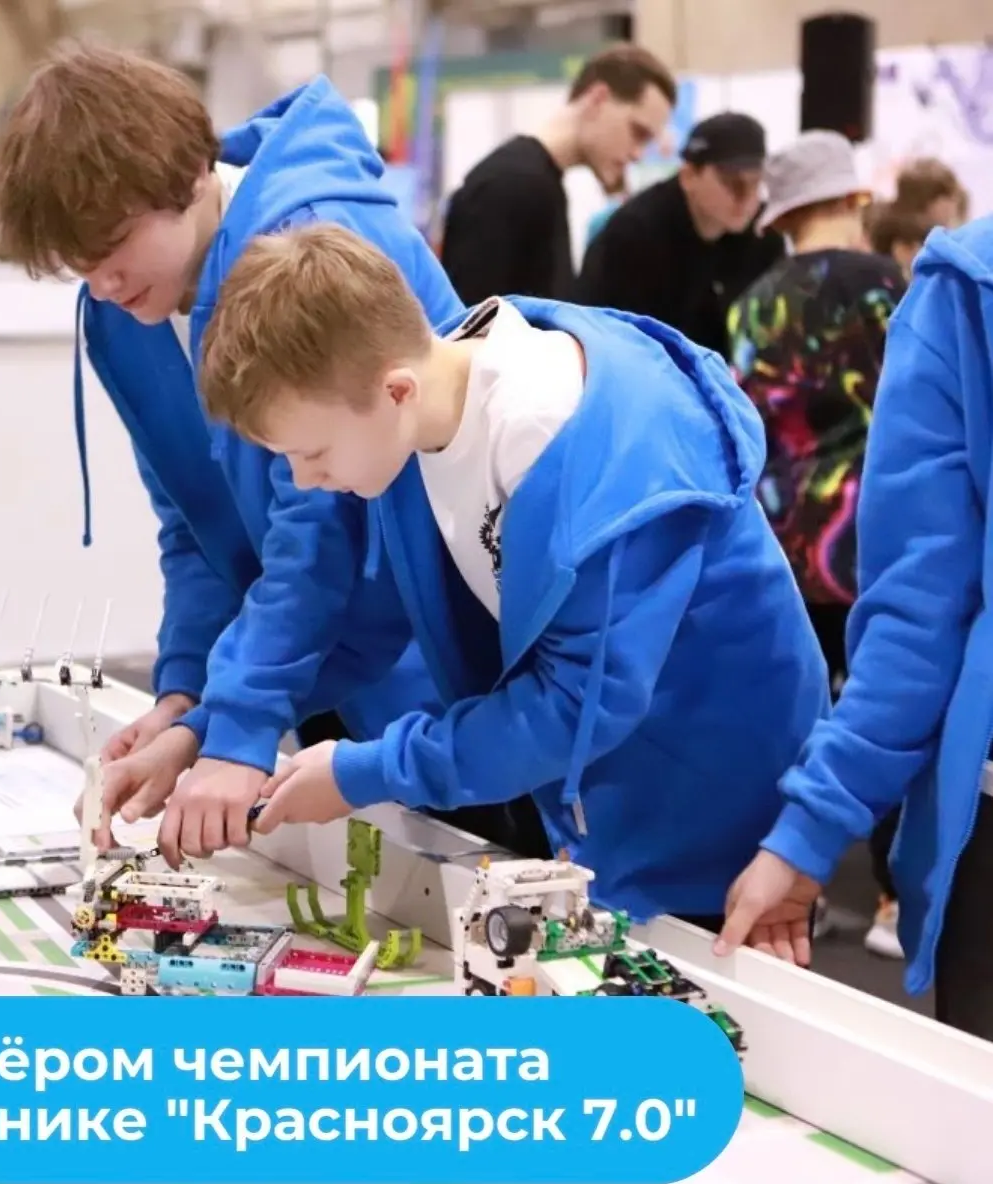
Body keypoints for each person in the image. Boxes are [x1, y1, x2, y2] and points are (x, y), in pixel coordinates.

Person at [0, 43, 543, 866]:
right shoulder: (123, 315)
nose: (101, 282)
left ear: (187, 177)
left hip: (441, 669)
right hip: (310, 666)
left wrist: (235, 720)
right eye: (78, 264)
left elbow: (322, 524)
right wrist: (185, 696)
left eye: (112, 244)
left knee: (480, 898)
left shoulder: (310, 241)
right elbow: (196, 528)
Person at [194, 221, 831, 925]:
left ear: (395, 391)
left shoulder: (571, 443)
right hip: (606, 802)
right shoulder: (419, 410)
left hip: (717, 819)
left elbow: (573, 707)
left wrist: (364, 772)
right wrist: (209, 731)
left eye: (311, 453)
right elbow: (364, 625)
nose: (302, 480)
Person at [717, 214, 993, 1041]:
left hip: (795, 535)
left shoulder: (948, 287)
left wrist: (809, 829)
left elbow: (918, 612)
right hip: (839, 537)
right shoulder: (932, 287)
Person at [725, 131, 909, 961]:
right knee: (888, 706)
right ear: (851, 199)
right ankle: (890, 898)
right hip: (871, 538)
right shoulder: (888, 286)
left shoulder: (751, 305)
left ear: (782, 216)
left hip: (782, 543)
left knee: (796, 713)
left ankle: (789, 874)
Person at [437, 44, 675, 304]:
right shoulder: (513, 184)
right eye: (638, 132)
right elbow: (468, 319)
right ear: (598, 99)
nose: (638, 154)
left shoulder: (540, 184)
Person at [575, 112, 785, 356]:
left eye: (756, 183)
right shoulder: (634, 235)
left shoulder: (764, 234)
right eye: (731, 183)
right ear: (689, 176)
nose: (746, 198)